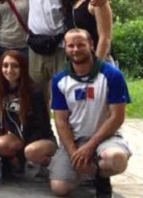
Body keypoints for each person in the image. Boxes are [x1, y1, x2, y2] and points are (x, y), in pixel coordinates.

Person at [49, 29, 132, 198]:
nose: (75, 49)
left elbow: (117, 117)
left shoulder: (112, 75)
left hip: (106, 137)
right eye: (70, 46)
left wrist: (90, 146)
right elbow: (61, 121)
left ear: (91, 45)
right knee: (60, 188)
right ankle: (85, 171)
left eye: (81, 45)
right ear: (65, 48)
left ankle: (102, 177)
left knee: (115, 159)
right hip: (75, 138)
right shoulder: (60, 79)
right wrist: (74, 152)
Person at [0, 50, 57, 178]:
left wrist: (22, 151)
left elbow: (43, 126)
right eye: (5, 65)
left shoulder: (35, 91)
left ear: (23, 68)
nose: (9, 70)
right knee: (0, 143)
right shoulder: (1, 89)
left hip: (41, 139)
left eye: (15, 66)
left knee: (31, 151)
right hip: (18, 137)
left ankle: (55, 165)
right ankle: (13, 164)